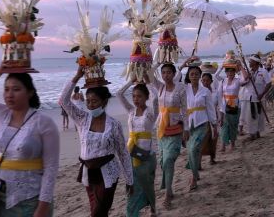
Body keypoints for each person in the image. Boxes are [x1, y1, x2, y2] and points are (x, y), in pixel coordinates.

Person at [0, 63, 60, 217]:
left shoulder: (44, 123)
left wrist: (42, 207)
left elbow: (51, 169)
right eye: (6, 89)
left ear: (30, 92)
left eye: (16, 89)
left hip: (29, 200)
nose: (9, 94)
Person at [58, 67, 133, 217]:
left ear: (104, 102)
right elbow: (63, 101)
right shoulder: (82, 119)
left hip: (108, 174)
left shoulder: (114, 124)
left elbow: (123, 153)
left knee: (97, 213)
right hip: (88, 173)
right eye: (88, 101)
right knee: (97, 211)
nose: (91, 105)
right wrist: (77, 75)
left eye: (95, 101)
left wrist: (130, 180)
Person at [117, 77, 158, 217]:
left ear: (146, 97)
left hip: (147, 156)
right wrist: (131, 81)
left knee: (147, 184)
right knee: (132, 187)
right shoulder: (131, 111)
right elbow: (119, 94)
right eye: (134, 96)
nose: (136, 99)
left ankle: (152, 207)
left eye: (139, 96)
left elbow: (156, 97)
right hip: (131, 153)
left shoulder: (151, 113)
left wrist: (148, 81)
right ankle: (133, 212)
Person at [151, 62, 188, 210]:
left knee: (168, 160)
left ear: (174, 74)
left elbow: (185, 109)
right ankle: (170, 189)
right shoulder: (160, 87)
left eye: (168, 72)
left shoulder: (180, 88)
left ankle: (167, 194)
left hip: (176, 129)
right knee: (162, 162)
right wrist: (159, 62)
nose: (166, 75)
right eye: (163, 72)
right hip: (161, 129)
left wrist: (186, 128)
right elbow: (149, 73)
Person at [182, 64, 217, 191]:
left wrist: (214, 125)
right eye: (192, 74)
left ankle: (193, 177)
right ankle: (195, 174)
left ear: (200, 76)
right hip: (189, 124)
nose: (194, 76)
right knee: (192, 151)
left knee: (193, 149)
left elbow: (210, 108)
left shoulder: (205, 91)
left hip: (202, 123)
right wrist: (183, 64)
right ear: (189, 76)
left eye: (197, 74)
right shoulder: (185, 89)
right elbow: (175, 79)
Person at [218, 60, 247, 152]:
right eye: (228, 71)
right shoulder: (223, 81)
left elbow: (245, 77)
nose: (230, 73)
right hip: (224, 105)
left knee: (233, 125)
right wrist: (222, 67)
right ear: (226, 72)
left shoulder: (237, 81)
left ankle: (232, 144)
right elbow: (215, 76)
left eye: (232, 71)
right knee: (224, 125)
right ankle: (223, 145)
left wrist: (241, 66)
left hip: (235, 105)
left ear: (235, 72)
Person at [242, 54, 272, 140]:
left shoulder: (263, 71)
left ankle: (257, 132)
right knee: (251, 117)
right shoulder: (249, 72)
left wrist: (262, 94)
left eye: (251, 61)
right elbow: (243, 83)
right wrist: (247, 78)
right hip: (250, 97)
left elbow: (269, 83)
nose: (249, 63)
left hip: (260, 98)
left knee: (259, 116)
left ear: (255, 62)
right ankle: (252, 133)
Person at [200, 72, 219, 165]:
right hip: (202, 118)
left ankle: (212, 158)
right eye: (203, 80)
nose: (205, 82)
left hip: (213, 116)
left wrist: (217, 119)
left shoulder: (215, 93)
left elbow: (219, 104)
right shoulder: (199, 92)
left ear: (211, 81)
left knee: (213, 139)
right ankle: (198, 162)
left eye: (207, 80)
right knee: (201, 140)